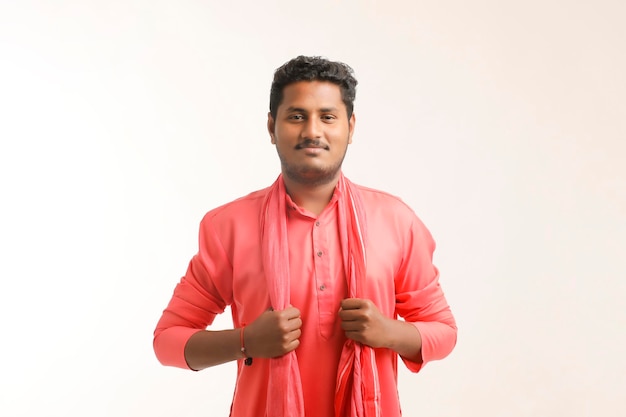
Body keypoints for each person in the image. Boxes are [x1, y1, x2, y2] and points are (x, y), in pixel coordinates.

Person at [153, 55, 457, 417]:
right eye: (297, 116)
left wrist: (388, 332)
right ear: (271, 127)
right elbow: (168, 341)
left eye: (328, 117)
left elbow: (444, 332)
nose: (313, 130)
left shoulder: (395, 220)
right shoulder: (228, 226)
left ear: (351, 127)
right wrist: (246, 341)